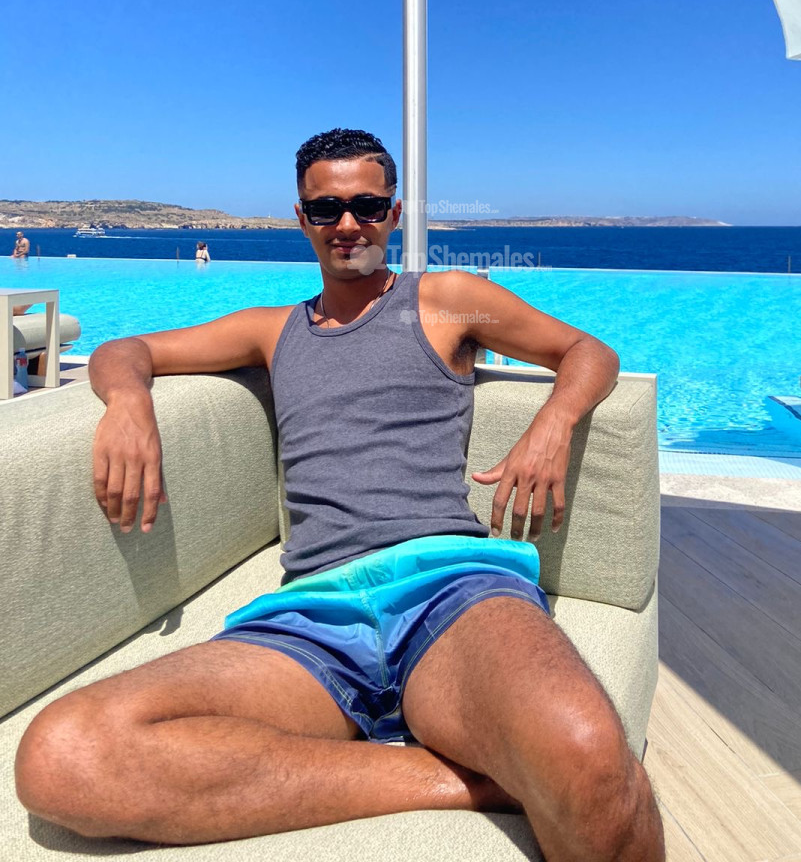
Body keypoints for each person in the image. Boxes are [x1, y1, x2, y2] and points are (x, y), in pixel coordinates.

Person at [14, 128, 664, 861]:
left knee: (589, 758)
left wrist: (553, 423)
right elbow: (124, 350)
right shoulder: (271, 331)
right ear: (302, 218)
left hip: (448, 590)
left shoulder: (447, 300)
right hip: (312, 620)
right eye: (327, 209)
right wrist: (129, 404)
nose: (348, 224)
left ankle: (508, 769)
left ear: (393, 213)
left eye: (367, 205)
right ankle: (469, 783)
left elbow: (587, 350)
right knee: (65, 755)